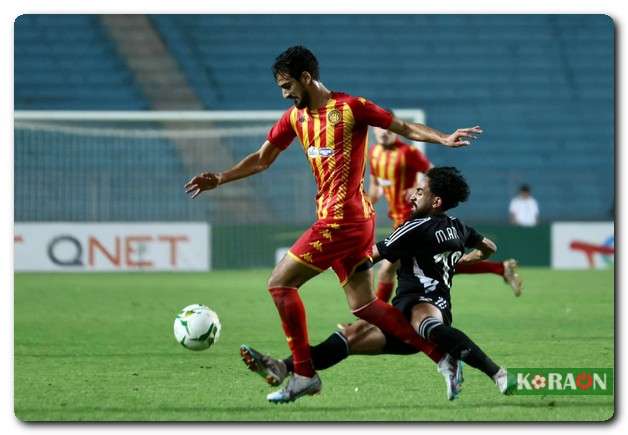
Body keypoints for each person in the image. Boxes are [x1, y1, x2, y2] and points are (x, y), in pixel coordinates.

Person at [185, 46, 483, 403]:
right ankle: (442, 356)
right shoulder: (295, 119)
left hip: (343, 219)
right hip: (348, 219)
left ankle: (303, 374)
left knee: (279, 285)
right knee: (364, 305)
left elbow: (402, 127)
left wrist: (442, 138)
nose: (284, 93)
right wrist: (220, 177)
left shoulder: (351, 107)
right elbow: (263, 160)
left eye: (287, 85)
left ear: (306, 78)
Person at [241, 167, 514, 400]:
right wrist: (465, 258)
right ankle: (283, 367)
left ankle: (496, 372)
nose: (413, 194)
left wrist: (327, 258)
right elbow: (488, 246)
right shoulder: (458, 226)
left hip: (420, 303)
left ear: (436, 201)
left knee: (427, 324)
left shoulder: (413, 227)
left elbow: (369, 258)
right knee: (351, 337)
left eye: (421, 190)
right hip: (408, 317)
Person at [368, 123, 523, 299]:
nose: (384, 132)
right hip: (398, 217)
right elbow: (375, 188)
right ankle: (500, 268)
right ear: (374, 130)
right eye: (380, 129)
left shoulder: (408, 153)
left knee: (389, 269)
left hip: (416, 218)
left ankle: (372, 322)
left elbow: (433, 175)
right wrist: (365, 204)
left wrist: (415, 188)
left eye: (389, 129)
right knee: (433, 264)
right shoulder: (374, 152)